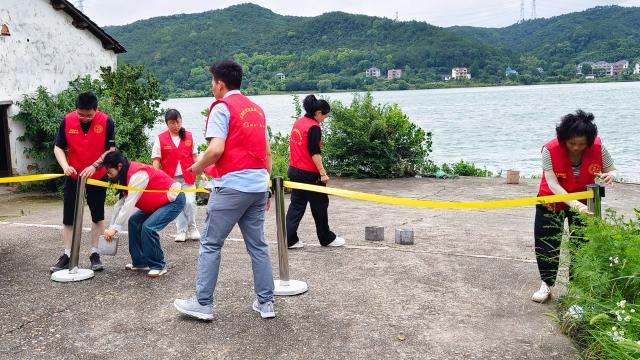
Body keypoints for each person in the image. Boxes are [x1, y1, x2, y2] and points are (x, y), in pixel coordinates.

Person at [174, 60, 274, 321]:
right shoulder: (257, 110)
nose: (212, 87)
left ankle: (203, 303)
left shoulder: (221, 108)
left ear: (220, 83)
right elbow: (266, 153)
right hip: (258, 187)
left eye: (212, 82)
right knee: (258, 247)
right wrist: (267, 186)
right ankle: (266, 303)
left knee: (210, 244)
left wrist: (196, 167)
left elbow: (216, 149)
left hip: (232, 188)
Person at [531, 110, 617, 303]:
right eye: (572, 143)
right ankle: (546, 285)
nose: (577, 148)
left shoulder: (598, 147)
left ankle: (577, 287)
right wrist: (575, 204)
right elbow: (553, 184)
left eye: (582, 144)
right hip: (551, 201)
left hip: (586, 203)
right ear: (563, 139)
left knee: (581, 244)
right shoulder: (549, 150)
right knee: (547, 244)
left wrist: (611, 175)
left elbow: (612, 169)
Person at [51, 92, 116, 273]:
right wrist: (65, 166)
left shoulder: (106, 122)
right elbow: (58, 147)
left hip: (97, 175)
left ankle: (95, 253)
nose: (85, 118)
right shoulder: (67, 120)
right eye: (81, 114)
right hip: (73, 175)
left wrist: (95, 166)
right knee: (69, 215)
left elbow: (111, 149)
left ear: (96, 109)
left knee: (97, 215)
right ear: (76, 109)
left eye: (89, 114)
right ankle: (67, 254)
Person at [102, 151, 185, 278]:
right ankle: (140, 262)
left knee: (149, 227)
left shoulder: (137, 175)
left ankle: (158, 265)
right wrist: (111, 227)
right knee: (134, 222)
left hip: (173, 200)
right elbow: (120, 204)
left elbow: (128, 205)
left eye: (109, 171)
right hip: (159, 202)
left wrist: (114, 229)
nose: (109, 175)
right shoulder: (124, 175)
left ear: (119, 166)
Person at [286, 95, 345, 249]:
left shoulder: (299, 122)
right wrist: (323, 173)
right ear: (318, 113)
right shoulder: (313, 127)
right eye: (324, 116)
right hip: (309, 174)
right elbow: (315, 153)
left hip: (294, 170)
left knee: (296, 206)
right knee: (320, 205)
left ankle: (289, 239)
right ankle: (326, 238)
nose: (324, 119)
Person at [152, 109, 200, 242]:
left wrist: (203, 172)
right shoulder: (160, 138)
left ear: (181, 121)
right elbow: (156, 161)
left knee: (190, 203)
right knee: (178, 205)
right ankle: (181, 231)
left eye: (178, 122)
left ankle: (193, 228)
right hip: (171, 180)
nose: (176, 125)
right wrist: (155, 178)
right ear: (167, 123)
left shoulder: (189, 136)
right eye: (172, 123)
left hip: (188, 177)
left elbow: (195, 157)